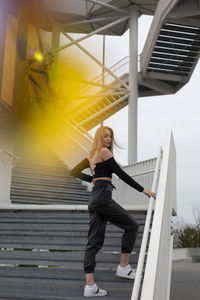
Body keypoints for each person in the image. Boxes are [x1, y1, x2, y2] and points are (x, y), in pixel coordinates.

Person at [70, 126, 156, 297]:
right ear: (99, 138)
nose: (109, 139)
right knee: (132, 225)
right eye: (105, 136)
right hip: (102, 197)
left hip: (94, 199)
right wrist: (143, 190)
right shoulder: (104, 152)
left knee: (93, 242)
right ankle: (123, 267)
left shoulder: (91, 155)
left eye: (110, 136)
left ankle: (90, 286)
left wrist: (93, 178)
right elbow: (121, 174)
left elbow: (73, 172)